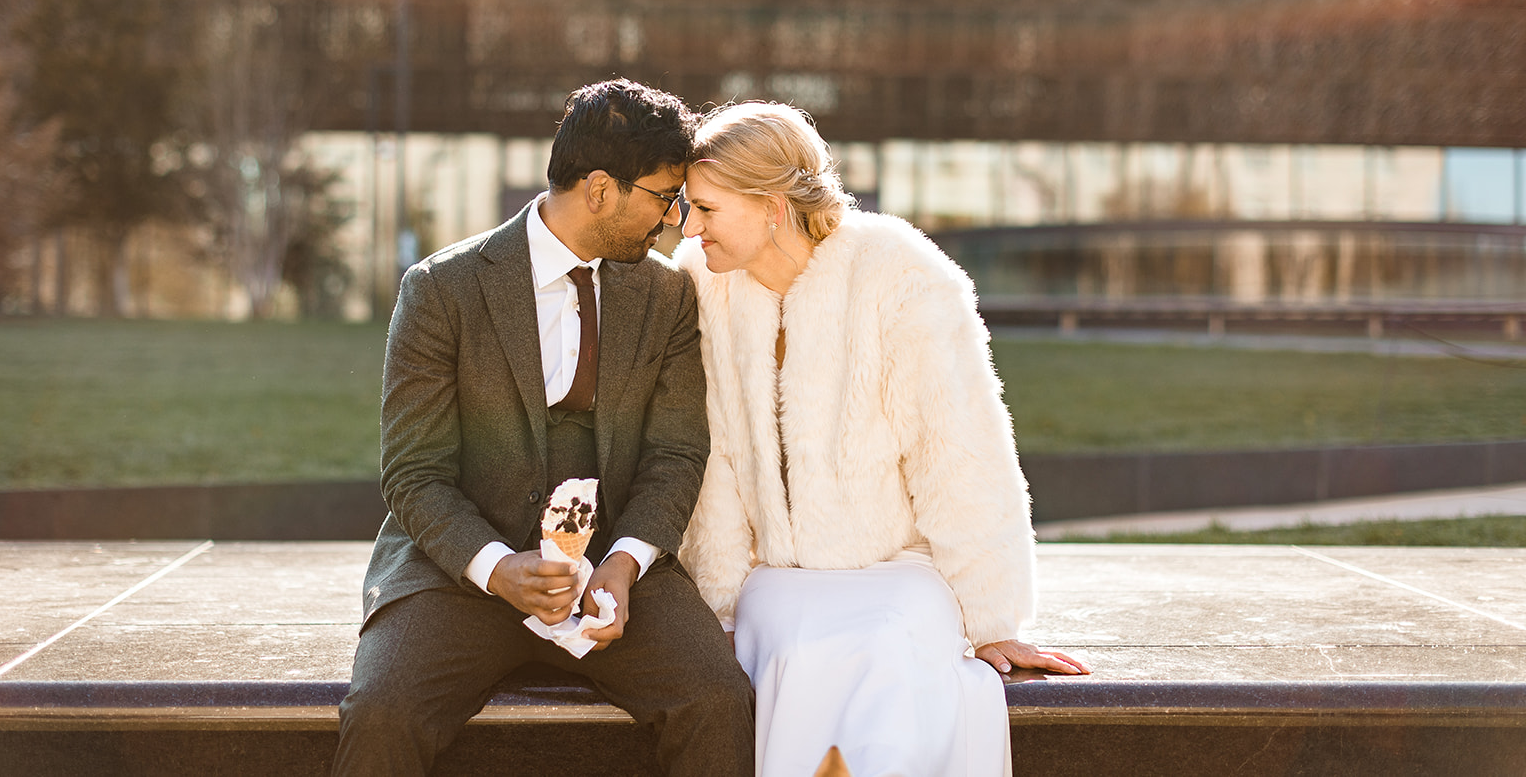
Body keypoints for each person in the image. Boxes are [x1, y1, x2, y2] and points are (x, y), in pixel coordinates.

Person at [333, 79, 754, 777]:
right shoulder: (441, 289)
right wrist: (499, 569)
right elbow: (414, 472)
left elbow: (676, 452)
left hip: (616, 580)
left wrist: (623, 563)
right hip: (456, 575)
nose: (674, 220)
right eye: (661, 196)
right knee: (382, 715)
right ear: (598, 189)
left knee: (716, 699)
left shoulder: (668, 294)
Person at [675, 102, 1089, 777]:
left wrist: (992, 621)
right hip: (779, 582)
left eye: (706, 209)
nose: (690, 227)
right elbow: (715, 462)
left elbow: (958, 451)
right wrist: (720, 604)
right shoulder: (701, 283)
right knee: (795, 652)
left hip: (902, 572)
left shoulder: (900, 273)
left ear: (772, 205)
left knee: (892, 653)